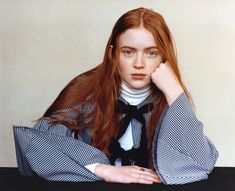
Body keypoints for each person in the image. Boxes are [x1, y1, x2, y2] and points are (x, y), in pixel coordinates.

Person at [13, 7, 218, 185]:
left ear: (164, 57)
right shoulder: (87, 90)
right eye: (128, 52)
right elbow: (37, 143)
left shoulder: (170, 98)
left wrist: (175, 92)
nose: (139, 63)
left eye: (151, 53)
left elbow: (200, 163)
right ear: (113, 54)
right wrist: (102, 170)